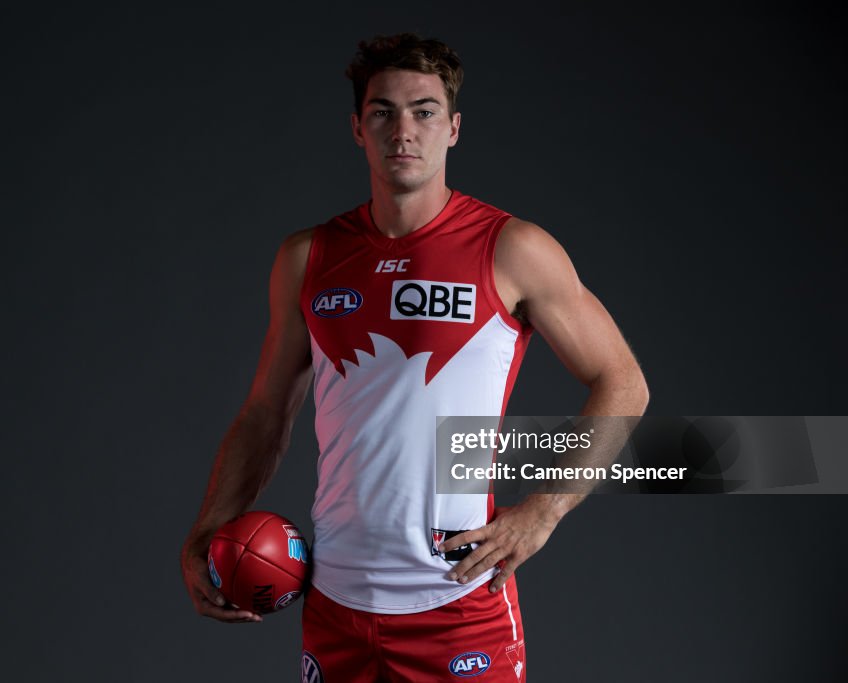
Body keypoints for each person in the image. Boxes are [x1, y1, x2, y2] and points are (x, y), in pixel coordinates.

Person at [180, 33, 649, 682]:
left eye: (424, 111)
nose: (403, 129)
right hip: (335, 605)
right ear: (357, 128)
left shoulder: (512, 249)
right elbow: (265, 414)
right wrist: (210, 525)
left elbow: (623, 383)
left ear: (453, 128)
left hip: (457, 607)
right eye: (383, 111)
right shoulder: (306, 258)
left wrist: (546, 507)